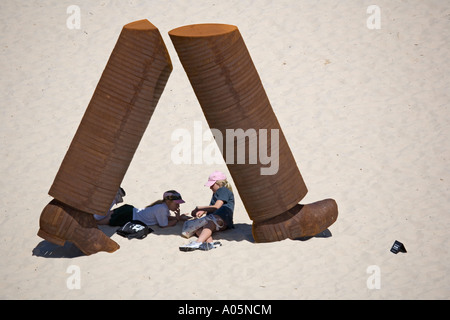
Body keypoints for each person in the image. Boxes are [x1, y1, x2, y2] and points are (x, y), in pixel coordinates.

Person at [179, 171, 234, 251]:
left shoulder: (223, 190)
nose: (210, 187)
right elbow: (213, 207)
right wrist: (204, 211)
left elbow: (216, 207)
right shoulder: (217, 193)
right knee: (198, 228)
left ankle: (198, 242)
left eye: (212, 185)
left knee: (209, 222)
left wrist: (199, 208)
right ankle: (210, 243)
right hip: (218, 220)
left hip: (222, 218)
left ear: (219, 183)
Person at [97, 190, 189, 228]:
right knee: (98, 222)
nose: (178, 206)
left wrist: (178, 217)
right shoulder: (162, 209)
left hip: (129, 211)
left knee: (104, 215)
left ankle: (113, 199)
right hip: (129, 216)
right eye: (176, 204)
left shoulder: (162, 207)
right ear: (169, 202)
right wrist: (176, 220)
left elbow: (166, 218)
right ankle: (113, 198)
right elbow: (163, 225)